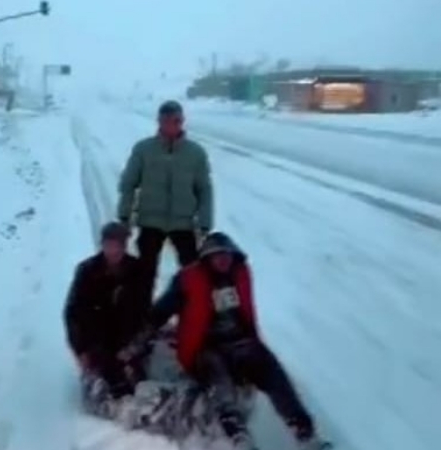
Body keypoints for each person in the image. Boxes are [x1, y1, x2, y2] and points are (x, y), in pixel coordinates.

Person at [119, 232, 326, 449]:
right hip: (203, 347)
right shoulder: (188, 280)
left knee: (273, 372)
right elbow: (159, 313)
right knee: (219, 380)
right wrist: (136, 344)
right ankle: (236, 436)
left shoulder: (239, 275)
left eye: (226, 254)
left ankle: (304, 432)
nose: (222, 260)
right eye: (216, 256)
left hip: (240, 343)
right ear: (206, 259)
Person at [117, 100, 213, 297]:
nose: (172, 125)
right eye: (167, 120)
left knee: (192, 274)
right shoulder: (143, 150)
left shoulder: (195, 153)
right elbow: (128, 183)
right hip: (150, 221)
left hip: (184, 224)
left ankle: (191, 318)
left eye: (176, 120)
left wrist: (205, 222)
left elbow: (204, 189)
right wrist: (124, 216)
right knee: (145, 275)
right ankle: (142, 319)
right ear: (159, 122)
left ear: (182, 121)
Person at [63, 221, 149, 400]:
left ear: (124, 246)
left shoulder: (138, 269)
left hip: (128, 336)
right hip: (97, 339)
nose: (113, 251)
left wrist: (135, 343)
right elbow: (72, 312)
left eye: (118, 246)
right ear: (102, 245)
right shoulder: (87, 271)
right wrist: (80, 350)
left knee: (143, 379)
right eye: (109, 245)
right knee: (114, 387)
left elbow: (143, 309)